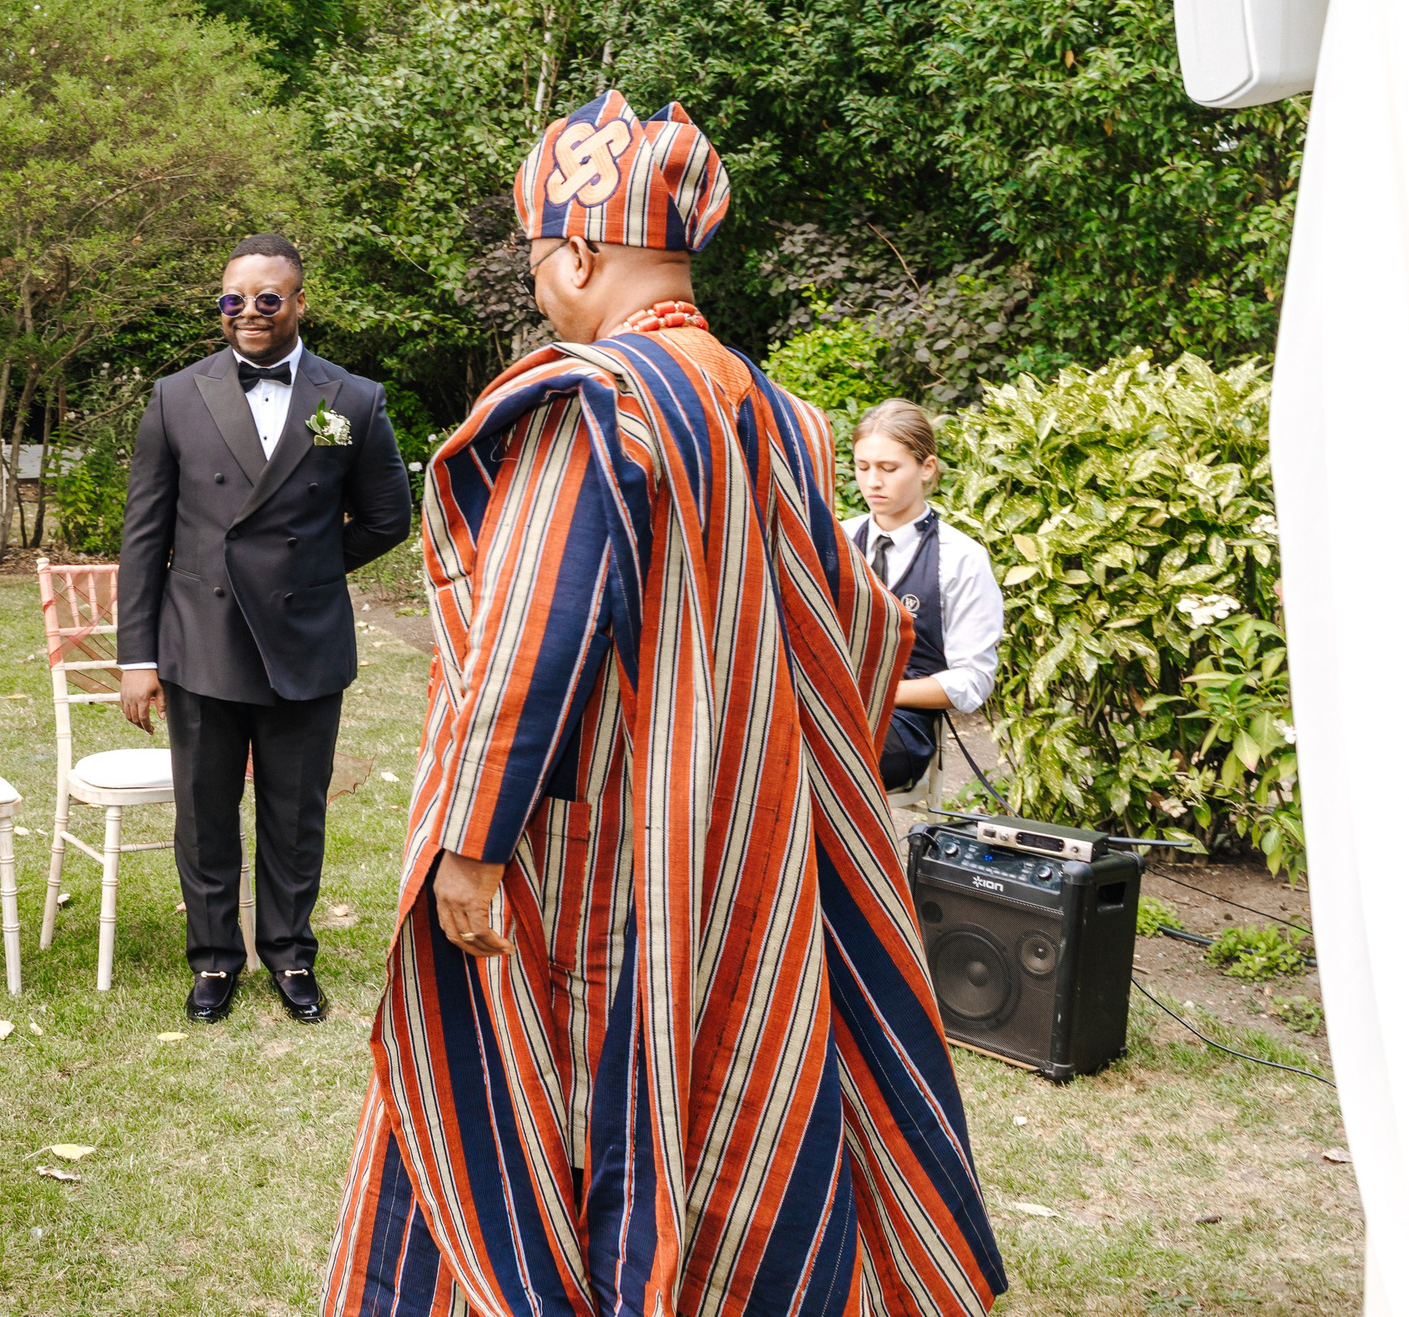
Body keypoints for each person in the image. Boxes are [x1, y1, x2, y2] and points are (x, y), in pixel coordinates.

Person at [324, 92, 1004, 1317]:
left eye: (539, 263)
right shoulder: (774, 410)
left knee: (569, 1113)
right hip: (746, 842)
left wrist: (469, 840)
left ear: (578, 252)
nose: (539, 290)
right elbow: (855, 627)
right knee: (723, 1093)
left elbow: (534, 631)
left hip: (599, 860)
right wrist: (750, 749)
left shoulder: (595, 399)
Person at [116, 233, 412, 1026]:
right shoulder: (177, 396)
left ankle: (288, 955)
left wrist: (309, 567)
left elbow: (388, 517)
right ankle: (214, 960)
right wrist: (135, 655)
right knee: (205, 811)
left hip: (302, 639)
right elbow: (144, 536)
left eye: (266, 299)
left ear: (299, 303)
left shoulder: (352, 399)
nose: (247, 313)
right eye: (232, 300)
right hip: (199, 640)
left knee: (294, 812)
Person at [846, 398, 1005, 792]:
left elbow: (973, 681)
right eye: (862, 467)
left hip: (901, 726)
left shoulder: (961, 558)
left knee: (813, 763)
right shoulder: (835, 539)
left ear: (927, 468)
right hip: (823, 709)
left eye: (888, 468)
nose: (872, 482)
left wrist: (877, 692)